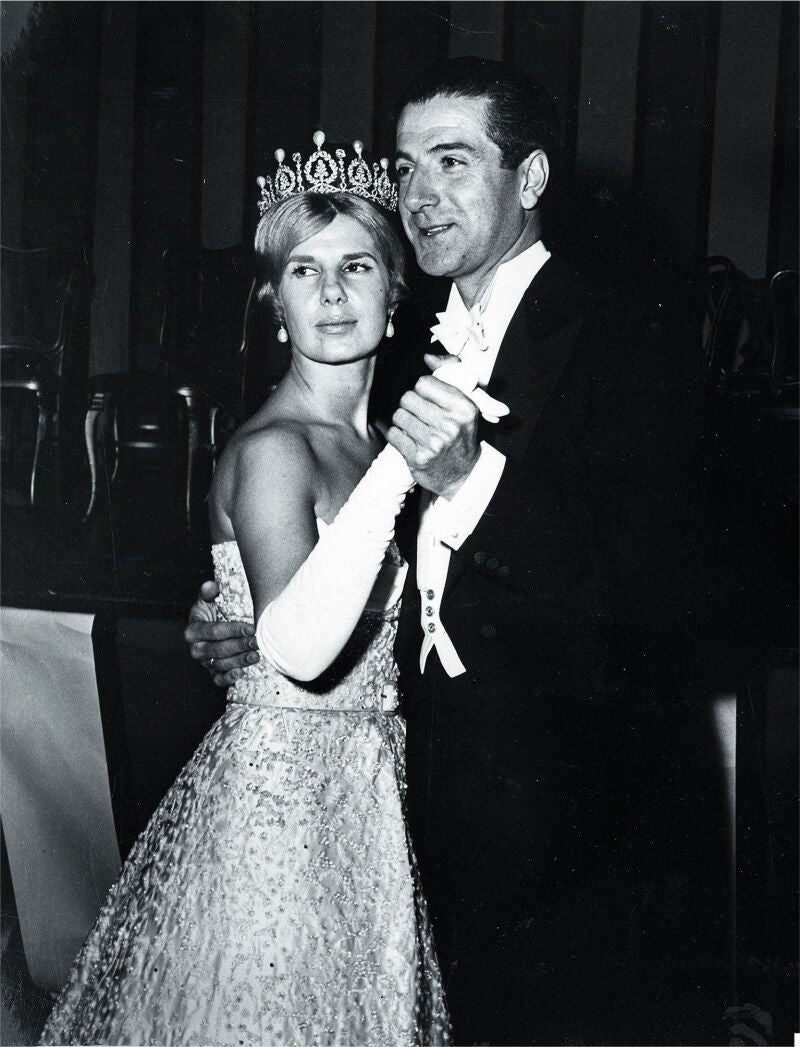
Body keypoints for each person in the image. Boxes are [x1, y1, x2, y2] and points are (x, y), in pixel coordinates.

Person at [187, 60, 727, 1045]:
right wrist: (248, 621)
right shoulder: (396, 351)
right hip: (420, 814)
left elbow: (656, 598)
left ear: (528, 180)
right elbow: (339, 544)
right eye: (405, 167)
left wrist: (469, 481)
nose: (419, 195)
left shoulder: (625, 338)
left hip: (583, 835)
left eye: (452, 161)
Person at [40, 138, 453, 1047]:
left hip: (366, 781)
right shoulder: (276, 450)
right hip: (284, 799)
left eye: (356, 266)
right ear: (275, 305)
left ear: (396, 292)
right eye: (304, 271)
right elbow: (295, 629)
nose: (333, 293)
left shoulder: (382, 436)